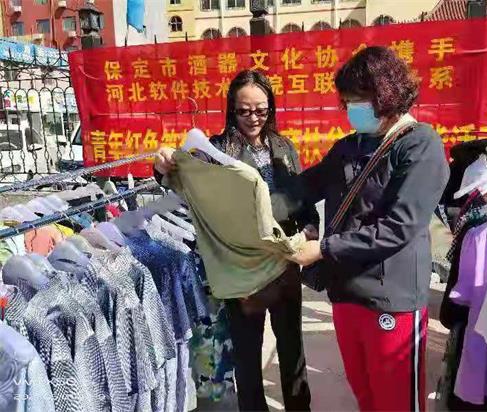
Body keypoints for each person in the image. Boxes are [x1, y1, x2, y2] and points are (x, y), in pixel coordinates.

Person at [288, 46, 449, 411]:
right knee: (366, 395)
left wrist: (323, 249)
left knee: (396, 400)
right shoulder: (348, 147)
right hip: (346, 293)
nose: (351, 109)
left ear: (386, 94)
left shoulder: (419, 144)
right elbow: (301, 188)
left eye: (358, 99)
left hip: (391, 297)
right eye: (347, 101)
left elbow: (399, 227)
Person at [154, 70, 312, 411]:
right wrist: (163, 164)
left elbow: (301, 196)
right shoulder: (215, 149)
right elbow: (180, 175)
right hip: (242, 267)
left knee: (292, 351)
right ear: (231, 109)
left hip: (284, 261)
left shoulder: (284, 147)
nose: (253, 118)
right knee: (247, 356)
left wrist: (310, 229)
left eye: (261, 110)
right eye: (244, 111)